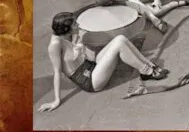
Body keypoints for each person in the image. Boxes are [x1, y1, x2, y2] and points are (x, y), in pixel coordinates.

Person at [38, 12, 169, 112]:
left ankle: (148, 65)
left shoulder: (68, 36)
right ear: (66, 28)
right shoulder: (54, 44)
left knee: (120, 38)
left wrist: (79, 44)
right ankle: (147, 71)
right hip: (89, 81)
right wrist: (56, 101)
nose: (78, 25)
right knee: (118, 44)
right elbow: (57, 72)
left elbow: (83, 55)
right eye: (74, 24)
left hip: (91, 66)